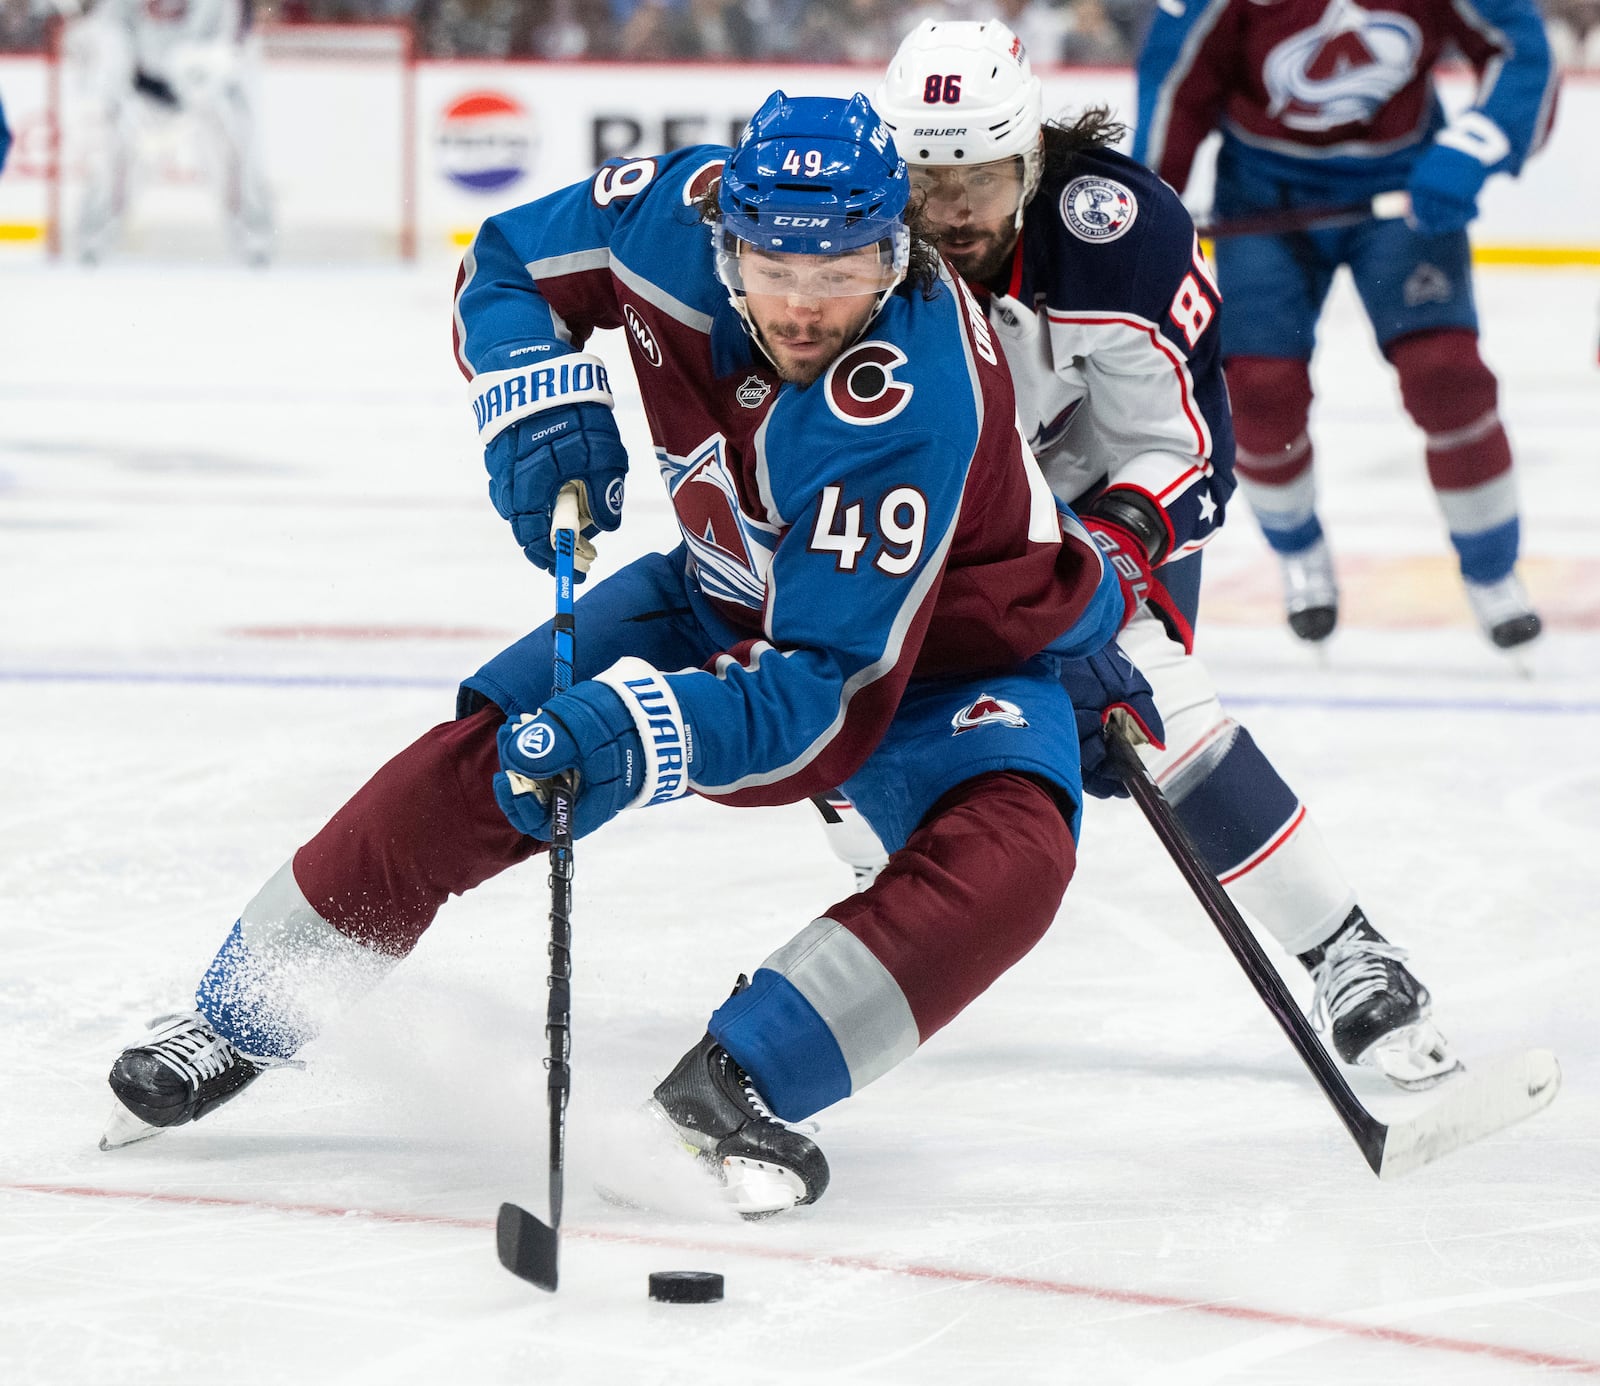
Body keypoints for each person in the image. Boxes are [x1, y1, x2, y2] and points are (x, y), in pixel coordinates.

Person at [99, 91, 1153, 1217]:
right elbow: (504, 263)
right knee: (494, 754)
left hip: (939, 652)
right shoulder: (663, 214)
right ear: (720, 235)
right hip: (722, 591)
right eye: (770, 269)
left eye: (841, 273)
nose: (802, 309)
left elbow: (819, 696)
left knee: (1014, 861)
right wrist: (534, 401)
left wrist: (639, 731)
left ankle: (736, 1086)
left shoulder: (906, 398)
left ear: (896, 255)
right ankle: (245, 1009)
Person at [866, 18, 1458, 1089]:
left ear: (1030, 155)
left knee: (1154, 707)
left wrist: (1090, 575)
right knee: (856, 737)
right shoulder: (845, 241)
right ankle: (859, 963)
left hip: (1090, 513)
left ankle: (1344, 948)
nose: (946, 213)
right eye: (923, 179)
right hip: (917, 530)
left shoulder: (1114, 234)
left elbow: (1179, 455)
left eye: (978, 179)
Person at [1133, 0, 1557, 650]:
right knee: (1258, 392)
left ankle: (1492, 567)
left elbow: (1518, 46)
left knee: (1448, 375)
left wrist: (1476, 144)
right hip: (1263, 197)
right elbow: (1176, 85)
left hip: (1403, 189)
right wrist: (1149, 211)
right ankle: (1298, 549)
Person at [72, 0, 273, 263]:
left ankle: (255, 242)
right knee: (110, 157)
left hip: (207, 91)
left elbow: (229, 48)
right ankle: (92, 244)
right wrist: (115, 82)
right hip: (142, 88)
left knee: (238, 147)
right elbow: (109, 37)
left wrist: (203, 75)